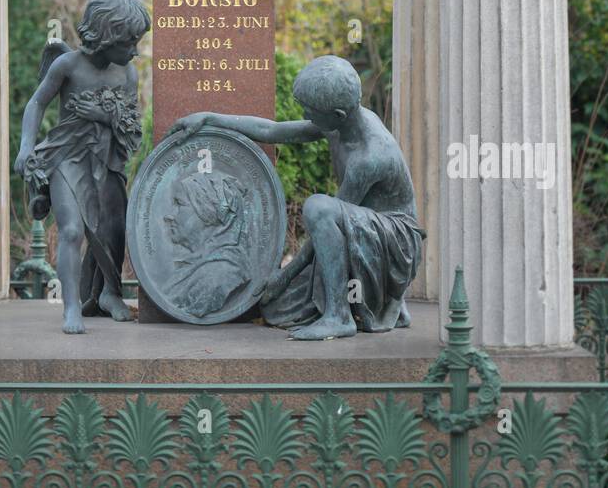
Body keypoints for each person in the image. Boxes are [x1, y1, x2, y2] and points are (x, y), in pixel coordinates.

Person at [169, 55, 424, 340]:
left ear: (337, 114)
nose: (305, 116)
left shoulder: (369, 157)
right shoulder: (345, 122)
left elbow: (331, 222)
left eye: (310, 111)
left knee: (317, 206)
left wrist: (286, 274)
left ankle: (339, 316)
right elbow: (273, 131)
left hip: (396, 242)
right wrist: (210, 117)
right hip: (366, 227)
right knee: (278, 309)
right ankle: (387, 304)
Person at [14, 0, 150, 334]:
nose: (135, 50)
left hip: (107, 161)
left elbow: (131, 126)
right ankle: (71, 306)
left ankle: (110, 292)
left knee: (114, 231)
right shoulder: (68, 65)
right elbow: (36, 103)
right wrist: (26, 145)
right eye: (129, 42)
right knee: (72, 230)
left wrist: (103, 116)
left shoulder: (127, 75)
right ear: (106, 36)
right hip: (68, 158)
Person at [164, 171, 250, 319]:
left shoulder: (221, 274)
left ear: (206, 212)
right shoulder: (195, 266)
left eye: (179, 204)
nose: (169, 215)